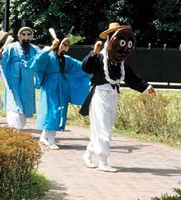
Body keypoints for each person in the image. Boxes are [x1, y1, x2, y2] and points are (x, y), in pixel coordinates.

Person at [80, 22, 155, 172]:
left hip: (113, 96)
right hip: (100, 95)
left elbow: (132, 78)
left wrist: (146, 87)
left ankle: (88, 154)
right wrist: (93, 53)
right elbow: (85, 67)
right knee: (103, 130)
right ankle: (103, 160)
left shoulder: (120, 64)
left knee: (103, 128)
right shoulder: (100, 58)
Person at [32, 32, 90, 150]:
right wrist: (51, 48)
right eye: (64, 44)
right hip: (50, 86)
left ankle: (44, 136)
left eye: (68, 45)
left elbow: (82, 66)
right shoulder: (48, 55)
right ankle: (51, 139)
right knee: (52, 111)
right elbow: (37, 61)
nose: (66, 47)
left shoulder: (67, 59)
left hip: (62, 87)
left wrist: (94, 58)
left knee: (59, 111)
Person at [0, 20, 40, 130]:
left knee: (25, 104)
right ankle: (14, 128)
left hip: (27, 80)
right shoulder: (11, 47)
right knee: (14, 103)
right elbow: (2, 61)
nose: (26, 37)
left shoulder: (35, 49)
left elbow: (42, 62)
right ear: (18, 35)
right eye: (23, 34)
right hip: (13, 79)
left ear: (32, 36)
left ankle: (19, 128)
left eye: (28, 34)